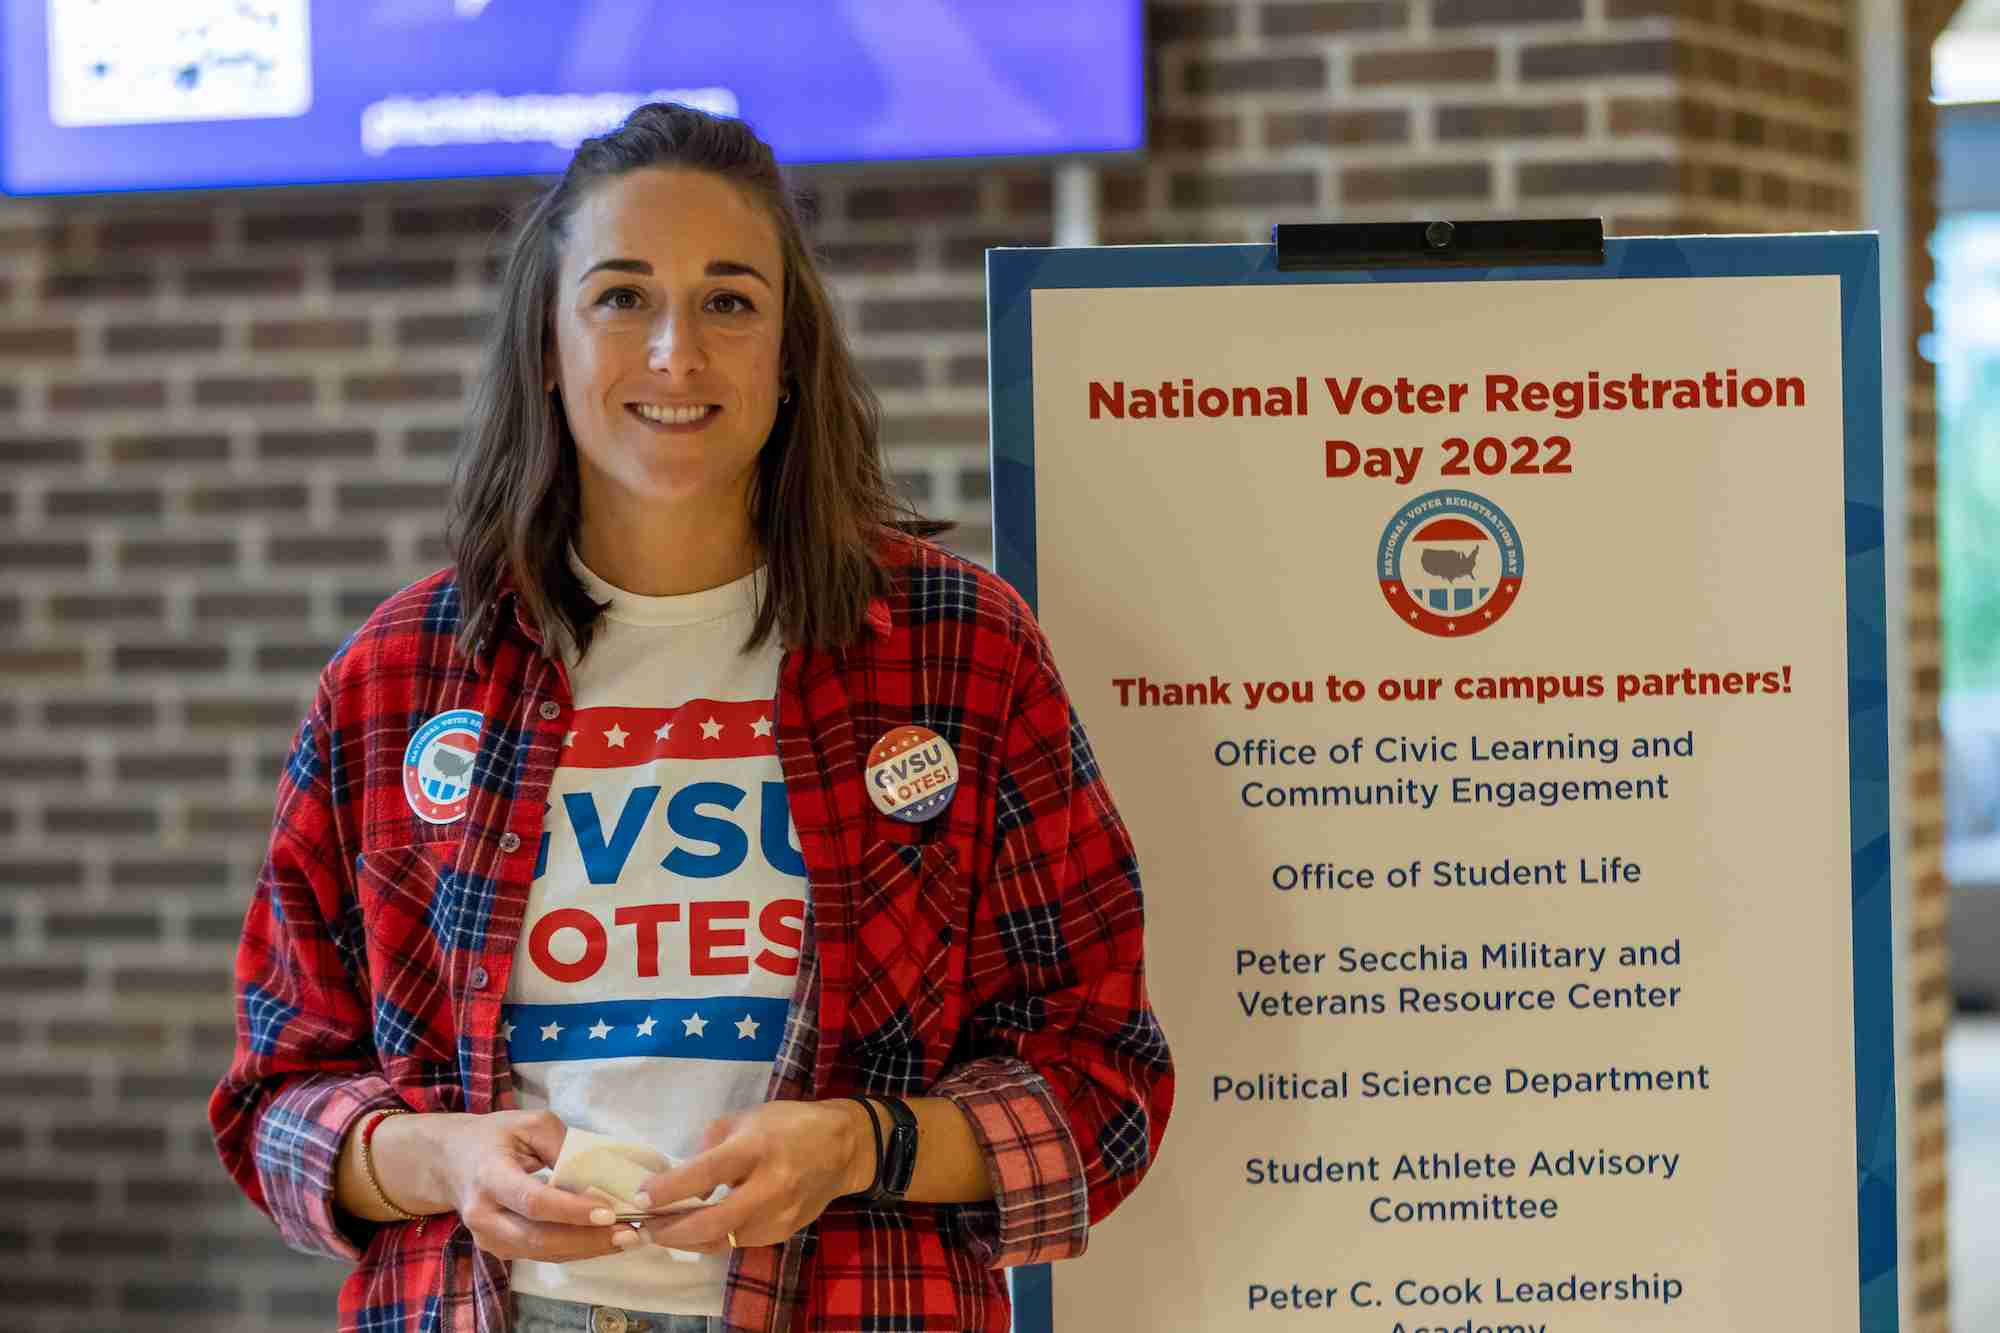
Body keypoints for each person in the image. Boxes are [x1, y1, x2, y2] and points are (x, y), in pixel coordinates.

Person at [208, 102, 1173, 1333]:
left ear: (787, 355)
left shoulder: (955, 649)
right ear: (548, 347)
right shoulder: (396, 676)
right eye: (620, 297)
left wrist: (856, 1145)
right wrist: (444, 1162)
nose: (675, 352)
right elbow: (274, 1102)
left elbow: (1103, 1082)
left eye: (728, 301)